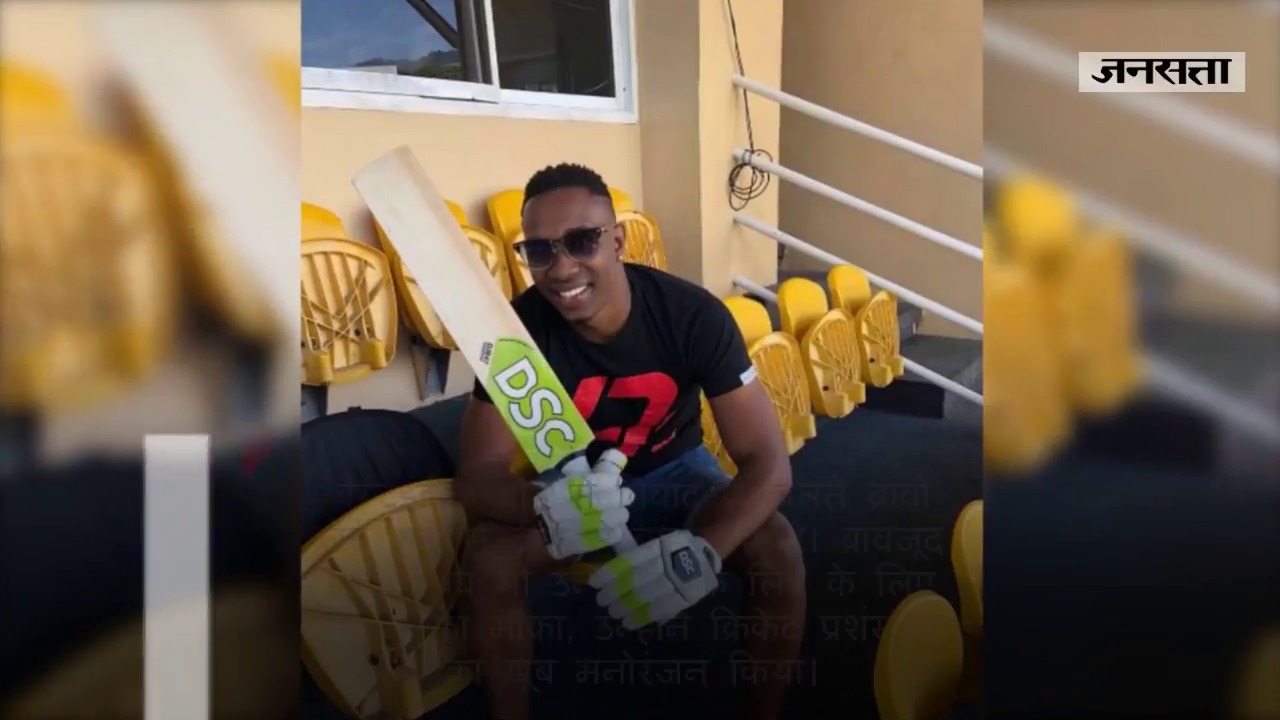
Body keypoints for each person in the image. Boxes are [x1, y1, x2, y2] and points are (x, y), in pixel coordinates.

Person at [455, 163, 805, 720]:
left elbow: (769, 463)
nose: (561, 268)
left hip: (676, 473)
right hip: (571, 488)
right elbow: (477, 476)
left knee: (777, 549)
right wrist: (542, 507)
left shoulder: (691, 315)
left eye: (581, 241)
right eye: (539, 251)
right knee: (488, 558)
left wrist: (704, 551)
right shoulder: (512, 333)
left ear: (616, 240)